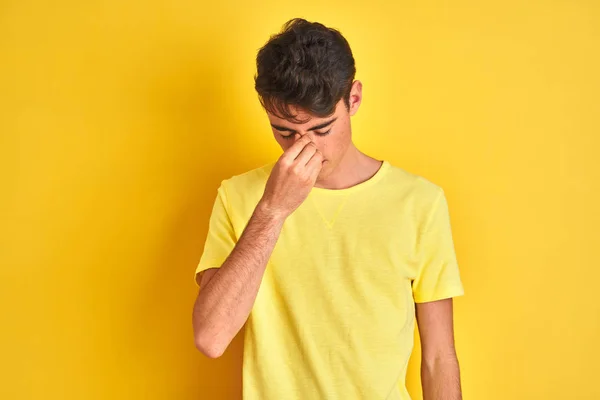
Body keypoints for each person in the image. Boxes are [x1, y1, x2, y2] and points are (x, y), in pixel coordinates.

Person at [192, 18, 464, 400]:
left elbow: (438, 357)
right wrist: (272, 210)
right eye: (284, 131)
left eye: (321, 130)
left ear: (353, 99)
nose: (305, 149)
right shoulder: (238, 197)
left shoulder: (420, 202)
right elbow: (211, 337)